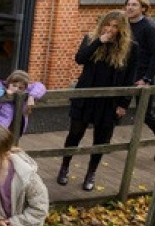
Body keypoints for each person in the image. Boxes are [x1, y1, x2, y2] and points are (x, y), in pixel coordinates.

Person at [58, 10, 137, 192]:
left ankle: (91, 173)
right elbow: (80, 59)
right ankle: (64, 167)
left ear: (122, 29)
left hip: (109, 100)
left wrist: (123, 104)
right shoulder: (91, 38)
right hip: (86, 95)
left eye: (115, 26)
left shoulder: (131, 47)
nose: (110, 29)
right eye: (107, 25)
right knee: (75, 134)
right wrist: (98, 42)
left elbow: (130, 77)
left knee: (101, 140)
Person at [124, 0, 155, 161]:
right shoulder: (126, 24)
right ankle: (104, 143)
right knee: (114, 105)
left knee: (145, 113)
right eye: (128, 4)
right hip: (126, 73)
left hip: (142, 76)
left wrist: (147, 78)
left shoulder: (150, 28)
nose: (130, 8)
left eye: (134, 5)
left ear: (143, 8)